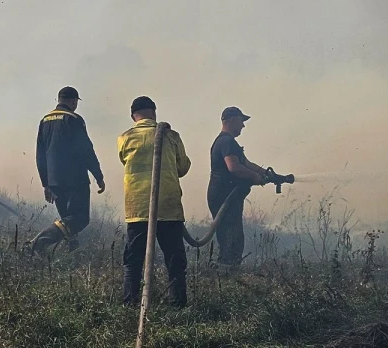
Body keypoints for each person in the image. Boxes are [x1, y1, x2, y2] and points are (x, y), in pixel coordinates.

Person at [118, 96, 192, 307]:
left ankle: (129, 306)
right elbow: (183, 167)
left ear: (133, 116)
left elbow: (124, 159)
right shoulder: (171, 136)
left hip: (137, 209)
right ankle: (178, 307)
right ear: (154, 112)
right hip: (168, 208)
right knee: (174, 261)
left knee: (133, 262)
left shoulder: (124, 138)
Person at [29, 86, 105, 253]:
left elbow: (40, 155)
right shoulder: (74, 119)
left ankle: (73, 255)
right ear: (73, 101)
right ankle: (39, 242)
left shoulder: (44, 121)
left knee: (67, 221)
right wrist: (98, 176)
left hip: (54, 180)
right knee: (80, 218)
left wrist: (45, 184)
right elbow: (87, 150)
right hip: (75, 179)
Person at [208, 106, 269, 267]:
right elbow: (234, 167)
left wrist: (267, 173)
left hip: (227, 196)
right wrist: (256, 177)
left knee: (232, 235)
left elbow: (246, 163)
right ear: (233, 119)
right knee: (231, 237)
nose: (243, 125)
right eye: (241, 121)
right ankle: (226, 272)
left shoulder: (228, 142)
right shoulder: (226, 141)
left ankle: (227, 269)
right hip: (224, 196)